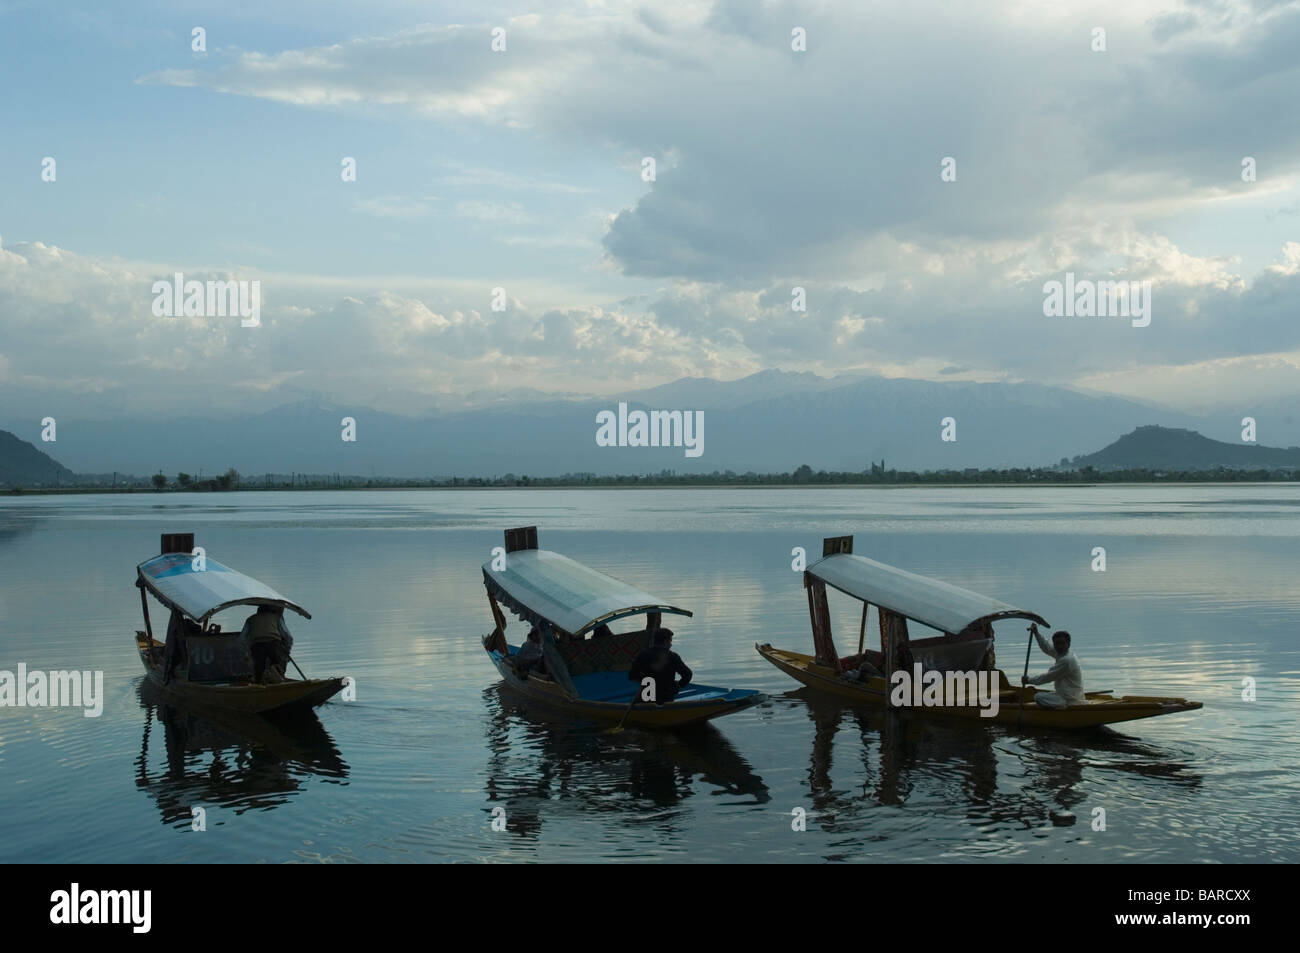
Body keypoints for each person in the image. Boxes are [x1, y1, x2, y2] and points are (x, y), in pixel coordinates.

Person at [1022, 624, 1085, 709]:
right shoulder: (1062, 653)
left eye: (1062, 643)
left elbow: (1047, 677)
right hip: (1067, 694)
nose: (1059, 646)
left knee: (1038, 697)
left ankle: (1063, 707)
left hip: (1069, 699)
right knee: (1046, 695)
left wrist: (1029, 680)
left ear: (1068, 644)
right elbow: (1046, 647)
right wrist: (1036, 633)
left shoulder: (1067, 660)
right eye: (1057, 643)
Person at [628, 628, 692, 705]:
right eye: (670, 641)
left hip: (648, 696)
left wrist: (644, 681)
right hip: (666, 698)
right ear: (665, 641)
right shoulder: (673, 656)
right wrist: (678, 685)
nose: (671, 644)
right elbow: (688, 674)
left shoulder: (642, 655)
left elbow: (632, 675)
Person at [241, 605, 294, 684]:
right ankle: (278, 680)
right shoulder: (276, 618)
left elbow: (241, 639)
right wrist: (287, 650)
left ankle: (259, 683)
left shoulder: (251, 619)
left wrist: (246, 653)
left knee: (258, 671)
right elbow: (288, 637)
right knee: (278, 667)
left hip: (257, 646)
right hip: (274, 644)